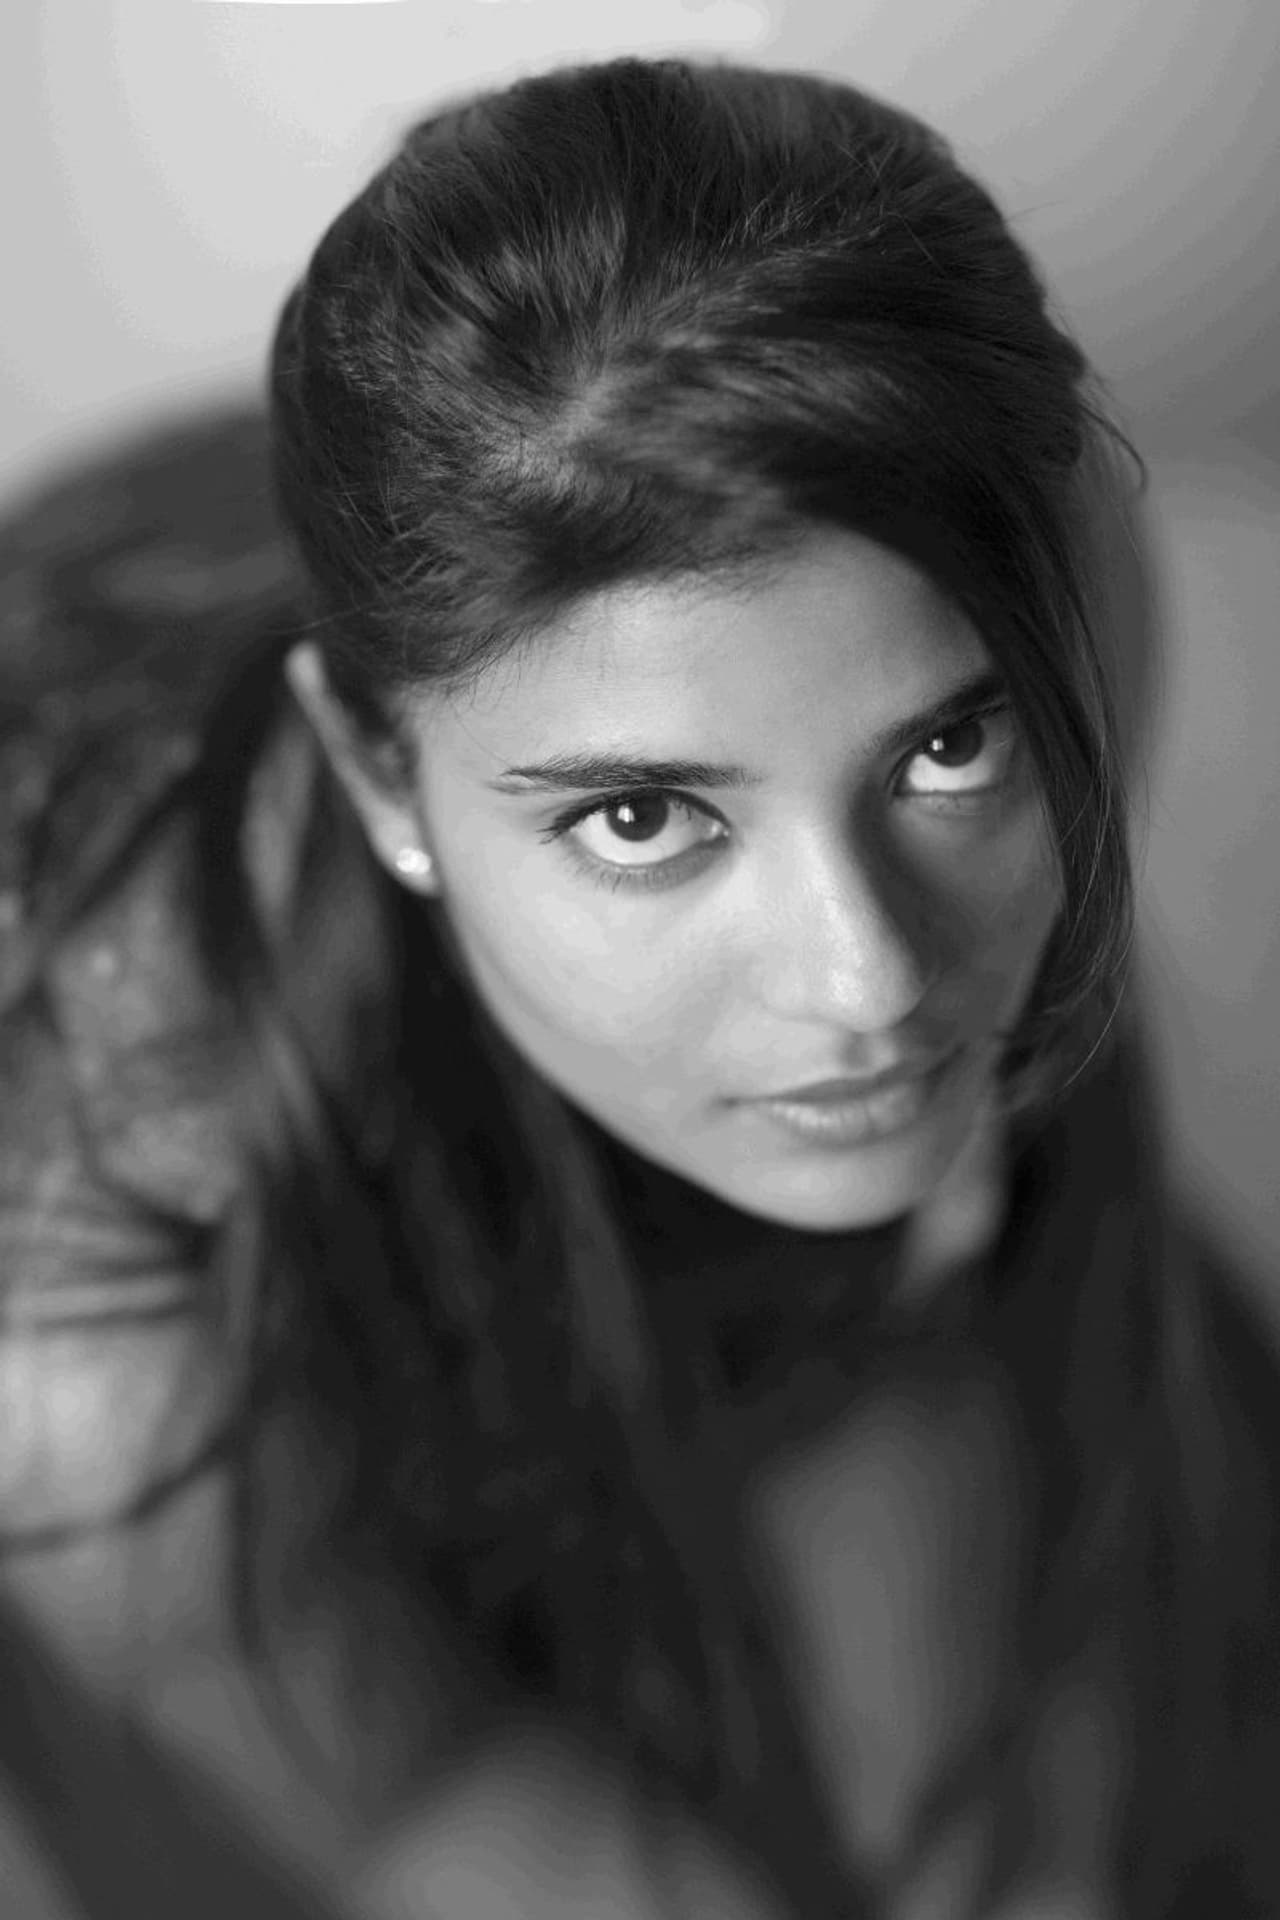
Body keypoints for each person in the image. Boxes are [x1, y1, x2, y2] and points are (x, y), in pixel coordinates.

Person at [1, 52, 1278, 1920]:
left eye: (946, 747)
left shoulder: (1058, 553)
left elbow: (973, 1329)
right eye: (641, 817)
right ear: (380, 779)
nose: (868, 977)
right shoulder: (74, 1220)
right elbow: (418, 1798)